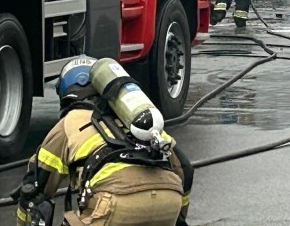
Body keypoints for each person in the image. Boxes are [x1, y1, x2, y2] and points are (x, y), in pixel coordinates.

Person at [14, 57, 192, 226]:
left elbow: (34, 188)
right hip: (169, 201)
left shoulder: (70, 122)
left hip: (115, 202)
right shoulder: (138, 121)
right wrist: (179, 217)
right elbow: (185, 168)